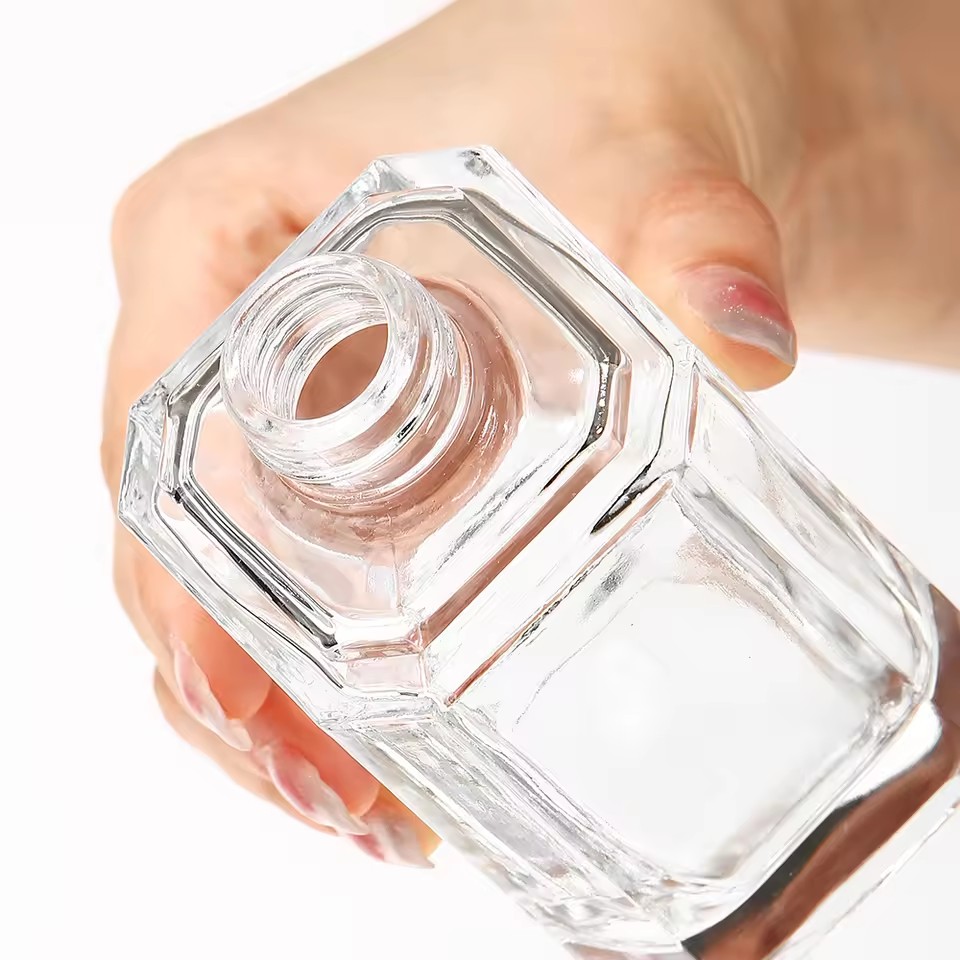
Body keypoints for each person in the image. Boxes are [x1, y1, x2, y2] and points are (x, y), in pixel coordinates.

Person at [100, 0, 960, 867]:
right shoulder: (336, 602)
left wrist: (784, 46)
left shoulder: (579, 343)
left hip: (904, 711)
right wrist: (811, 74)